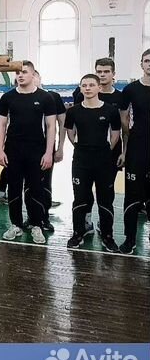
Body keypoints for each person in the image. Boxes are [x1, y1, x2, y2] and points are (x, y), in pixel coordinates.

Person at [0, 61, 56, 244]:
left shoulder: (45, 98)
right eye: (18, 73)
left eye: (24, 72)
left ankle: (36, 225)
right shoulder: (7, 98)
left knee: (35, 189)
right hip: (13, 150)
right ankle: (15, 225)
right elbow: (1, 124)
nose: (20, 76)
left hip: (36, 151)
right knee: (14, 188)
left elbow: (51, 126)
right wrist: (0, 150)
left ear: (33, 75)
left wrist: (48, 153)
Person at [64, 74, 120, 252]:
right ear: (80, 88)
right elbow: (70, 133)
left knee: (105, 200)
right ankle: (78, 232)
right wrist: (81, 147)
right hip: (81, 161)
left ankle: (107, 235)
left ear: (98, 88)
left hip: (103, 160)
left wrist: (104, 150)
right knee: (80, 198)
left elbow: (115, 135)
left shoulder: (110, 110)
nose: (87, 88)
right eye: (84, 85)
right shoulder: (73, 111)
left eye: (91, 85)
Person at [72, 57, 123, 230]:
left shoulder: (119, 98)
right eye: (99, 71)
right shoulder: (80, 97)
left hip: (109, 153)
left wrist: (117, 150)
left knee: (105, 194)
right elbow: (76, 123)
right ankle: (85, 223)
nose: (102, 75)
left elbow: (122, 126)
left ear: (113, 74)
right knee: (84, 194)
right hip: (84, 154)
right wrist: (79, 146)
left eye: (106, 71)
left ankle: (105, 227)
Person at [118, 49, 150, 254]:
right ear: (141, 64)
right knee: (132, 196)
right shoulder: (131, 90)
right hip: (138, 147)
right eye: (147, 61)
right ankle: (130, 239)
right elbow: (124, 122)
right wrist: (125, 149)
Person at [33, 71, 66, 231]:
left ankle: (44, 217)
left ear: (39, 78)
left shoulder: (52, 96)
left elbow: (61, 123)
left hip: (47, 147)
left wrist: (60, 147)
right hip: (26, 147)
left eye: (34, 76)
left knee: (45, 182)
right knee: (29, 184)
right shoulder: (18, 96)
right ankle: (32, 218)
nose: (31, 79)